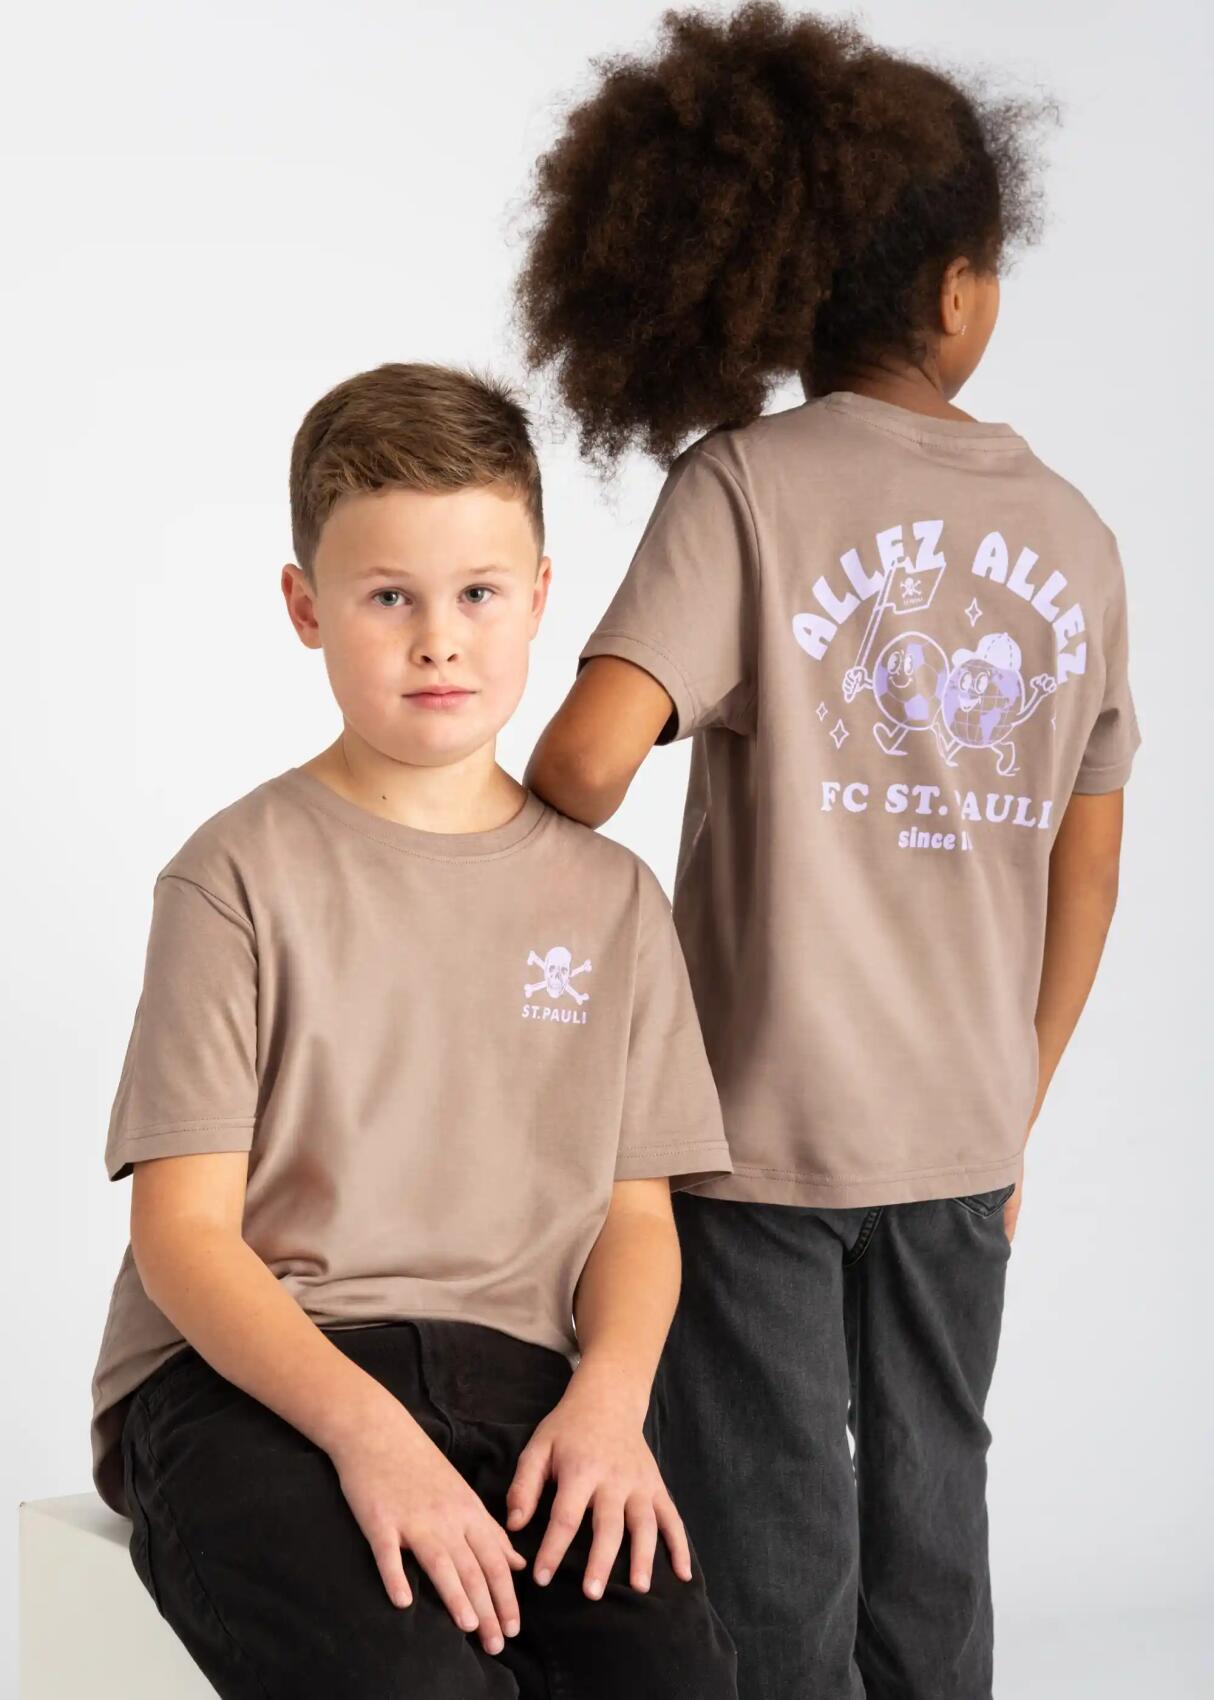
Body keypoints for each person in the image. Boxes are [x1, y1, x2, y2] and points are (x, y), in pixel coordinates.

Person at [517, 7, 1140, 1698]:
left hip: (757, 1131)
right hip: (959, 1129)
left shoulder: (746, 489)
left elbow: (580, 764)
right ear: (956, 291)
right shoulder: (1076, 538)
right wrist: (1014, 1100)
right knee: (933, 1515)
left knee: (768, 1530)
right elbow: (1086, 868)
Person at [88, 361, 738, 1699]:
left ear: (540, 598)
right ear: (305, 608)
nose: (439, 640)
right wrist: (371, 1437)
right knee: (417, 1679)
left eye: (477, 595)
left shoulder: (615, 901)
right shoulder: (233, 877)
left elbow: (636, 1217)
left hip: (520, 1381)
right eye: (390, 597)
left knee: (673, 1680)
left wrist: (609, 1405)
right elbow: (183, 1234)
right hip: (250, 1384)